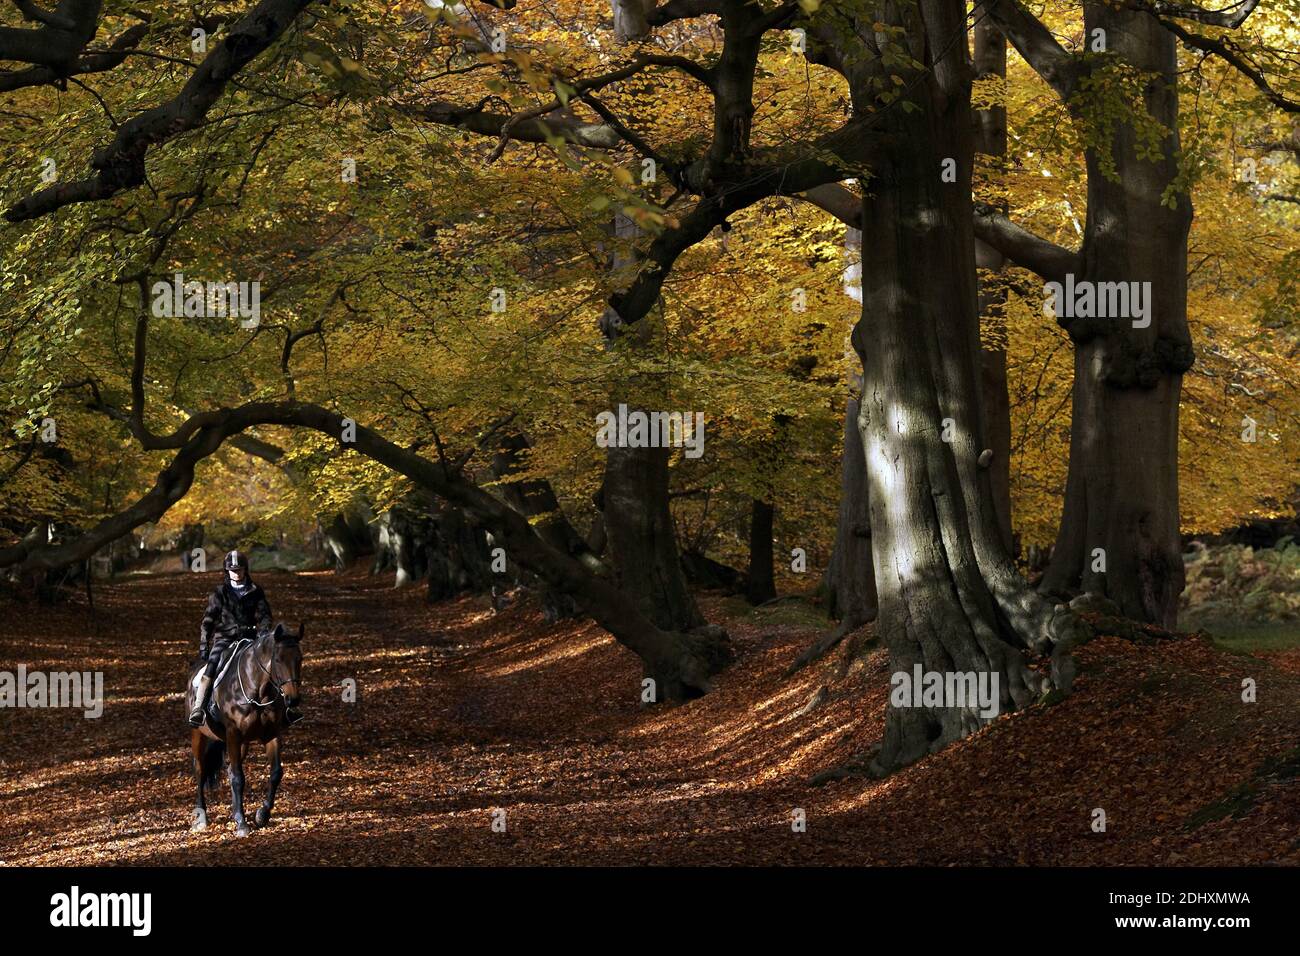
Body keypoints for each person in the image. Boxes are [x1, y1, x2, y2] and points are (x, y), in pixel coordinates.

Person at [189, 550, 272, 727]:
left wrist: (264, 631)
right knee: (212, 666)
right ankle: (199, 707)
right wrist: (204, 645)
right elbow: (208, 620)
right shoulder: (220, 592)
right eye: (232, 570)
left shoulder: (256, 591)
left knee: (271, 664)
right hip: (225, 639)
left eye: (239, 570)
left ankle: (284, 708)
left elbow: (265, 615)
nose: (236, 573)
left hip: (251, 638)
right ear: (227, 571)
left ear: (245, 570)